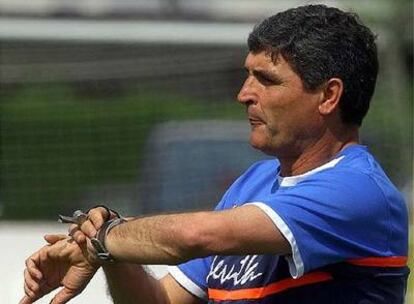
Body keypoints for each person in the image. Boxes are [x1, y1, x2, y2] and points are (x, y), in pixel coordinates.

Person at [21, 4, 409, 304]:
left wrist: (105, 236)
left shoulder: (357, 191)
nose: (244, 94)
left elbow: (194, 236)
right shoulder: (253, 183)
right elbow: (162, 300)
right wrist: (107, 252)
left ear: (328, 96)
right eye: (247, 75)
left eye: (267, 80)